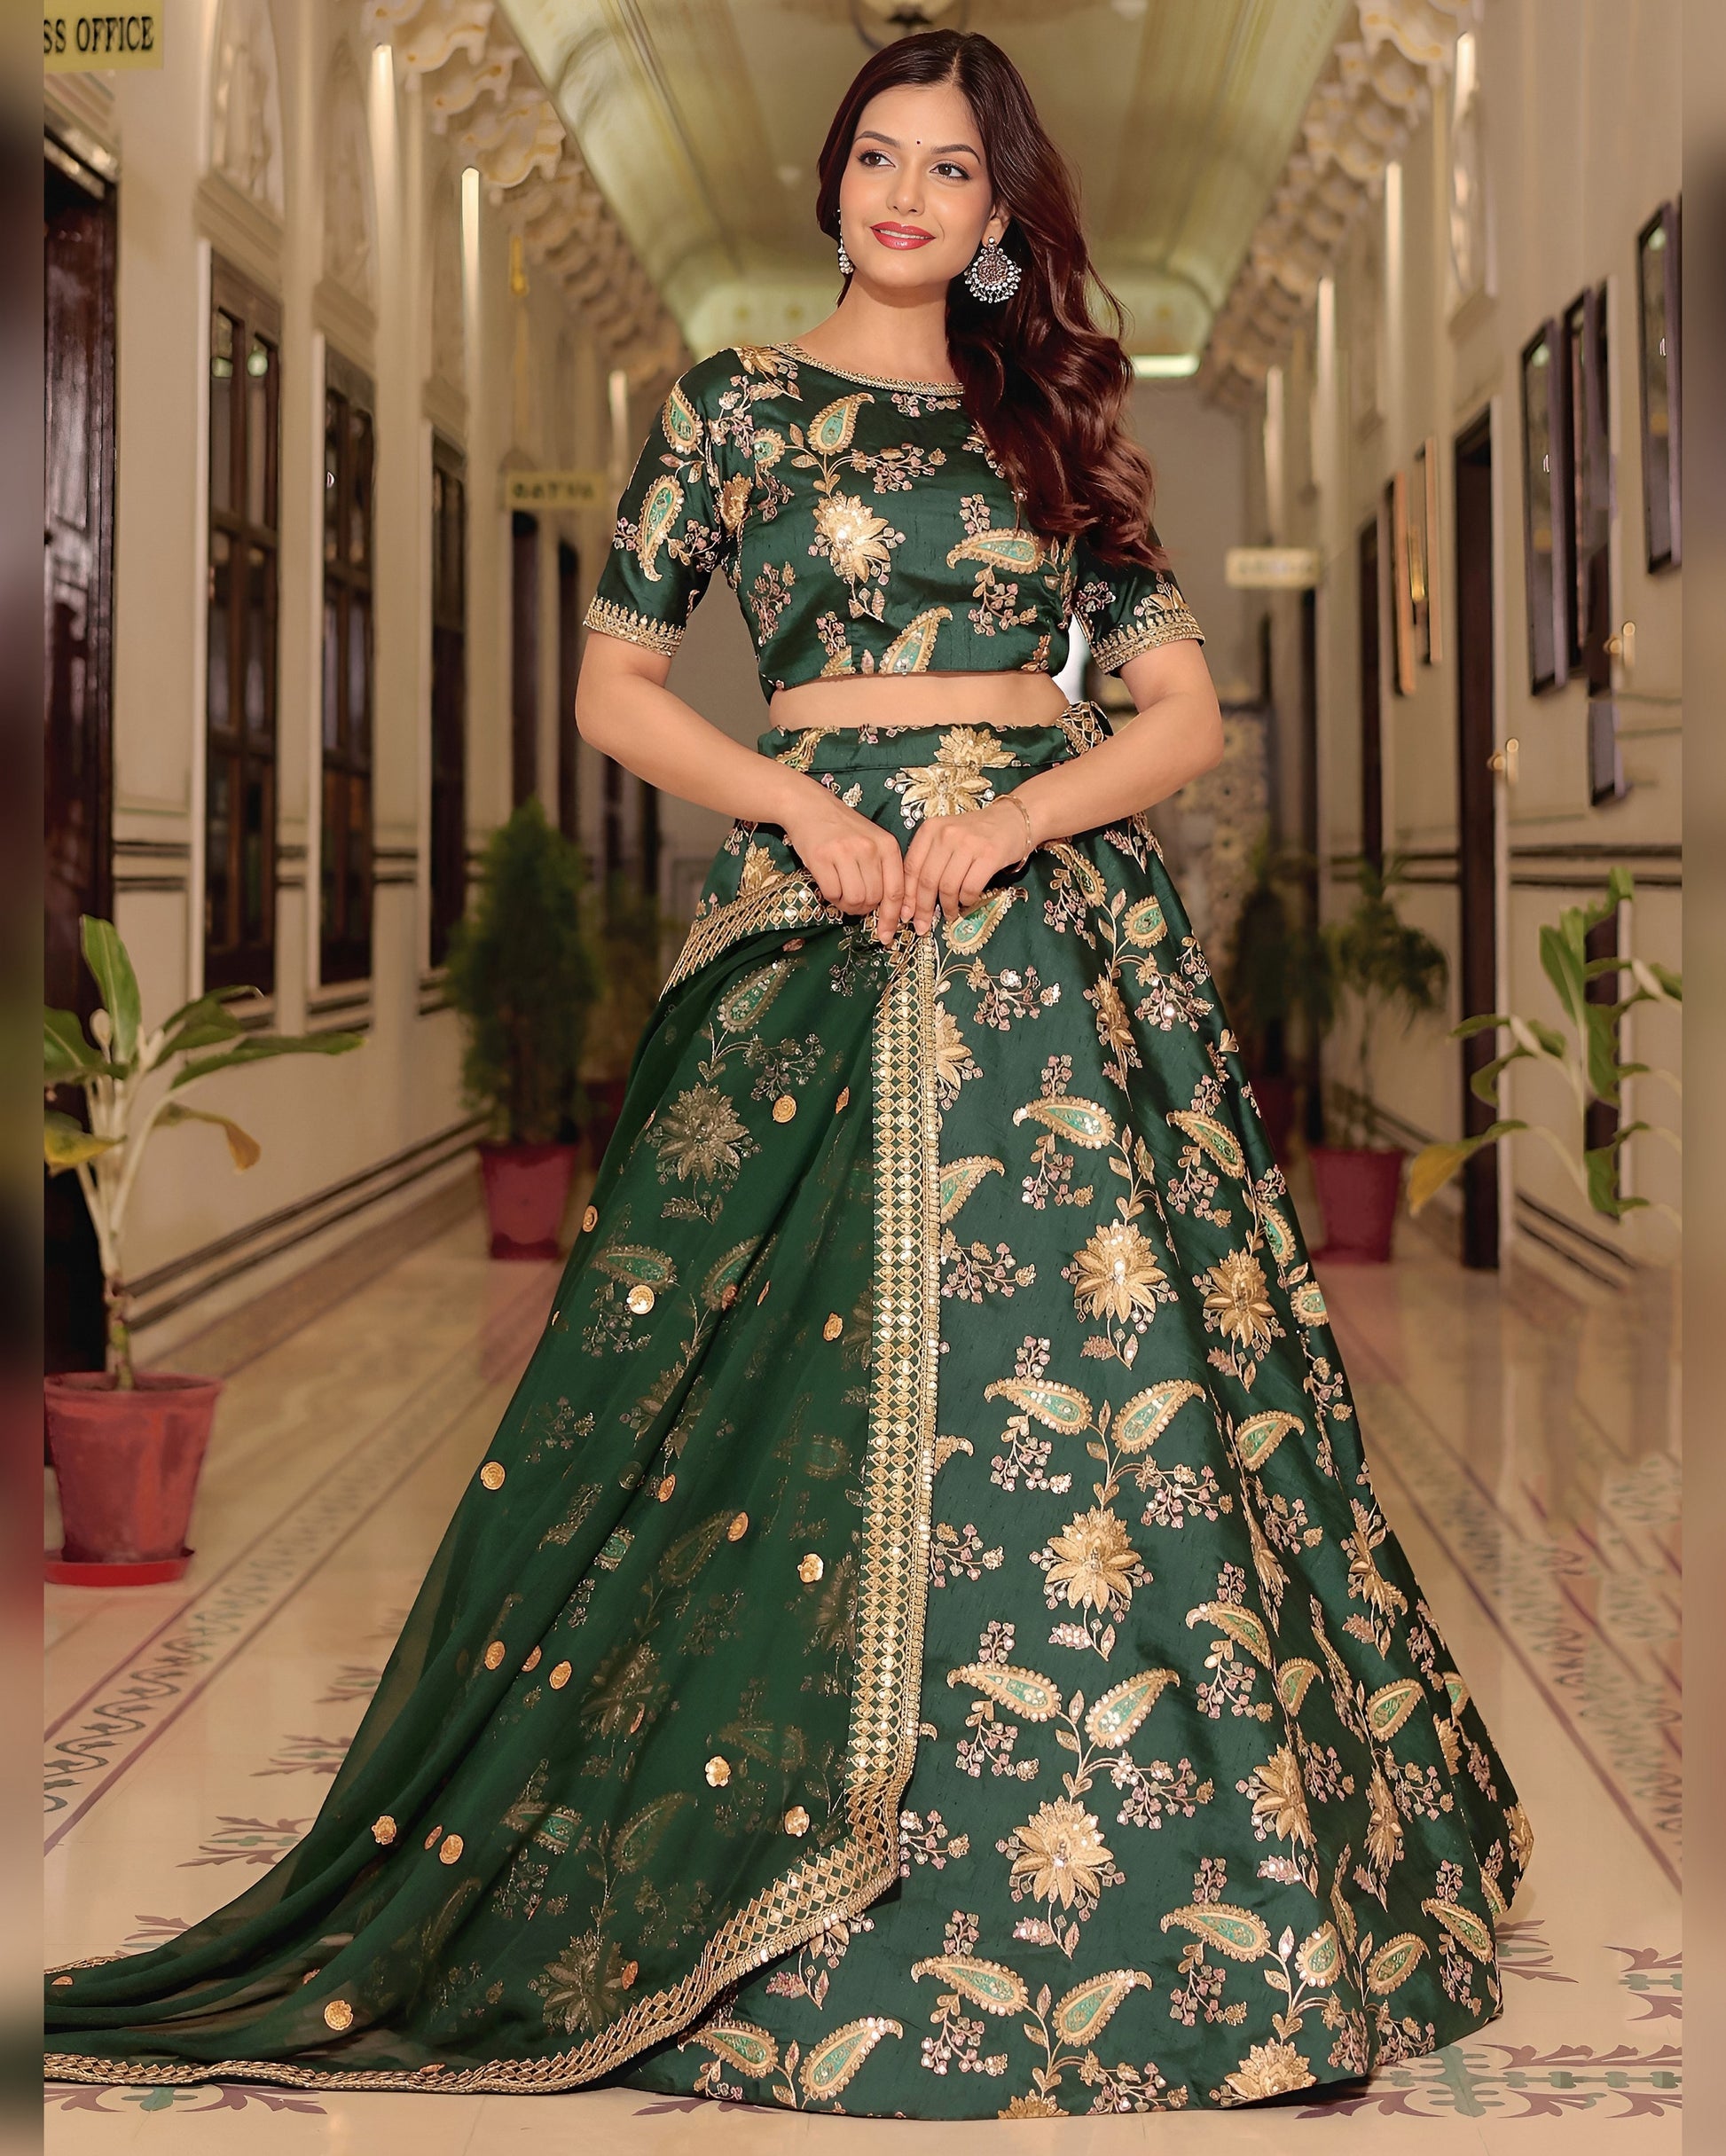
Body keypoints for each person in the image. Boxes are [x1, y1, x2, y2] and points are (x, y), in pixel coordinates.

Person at [47, 28, 1530, 2117]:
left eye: (949, 172)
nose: (904, 197)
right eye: (874, 159)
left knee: (1119, 1403)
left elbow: (1176, 714)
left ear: (1005, 221)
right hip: (815, 920)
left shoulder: (1055, 416)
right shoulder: (734, 407)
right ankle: (784, 1885)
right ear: (827, 181)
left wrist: (1013, 818)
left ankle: (1192, 1915)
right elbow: (615, 684)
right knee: (744, 1382)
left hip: (1045, 941)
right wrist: (804, 805)